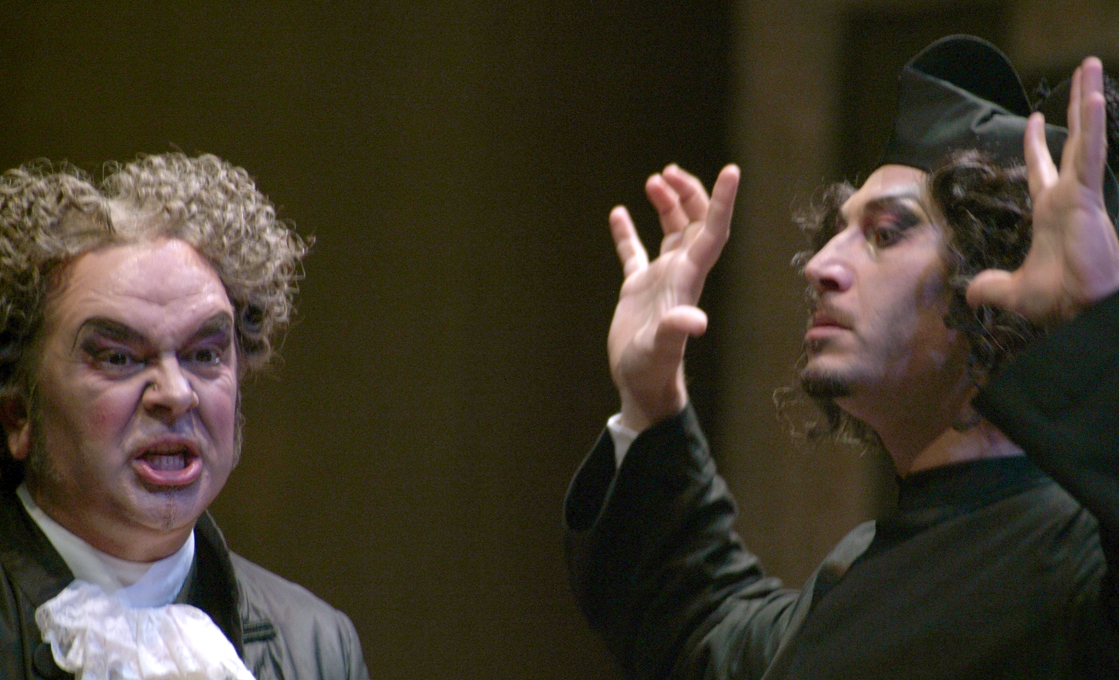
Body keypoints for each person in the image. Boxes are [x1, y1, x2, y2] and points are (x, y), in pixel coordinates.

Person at [564, 36, 1118, 679]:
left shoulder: (1078, 568)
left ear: (997, 275)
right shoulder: (857, 575)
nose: (820, 264)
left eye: (884, 234)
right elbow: (700, 629)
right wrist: (651, 399)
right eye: (838, 232)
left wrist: (1093, 327)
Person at [0, 153, 370, 679]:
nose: (175, 394)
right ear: (18, 414)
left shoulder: (316, 645)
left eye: (204, 353)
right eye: (118, 358)